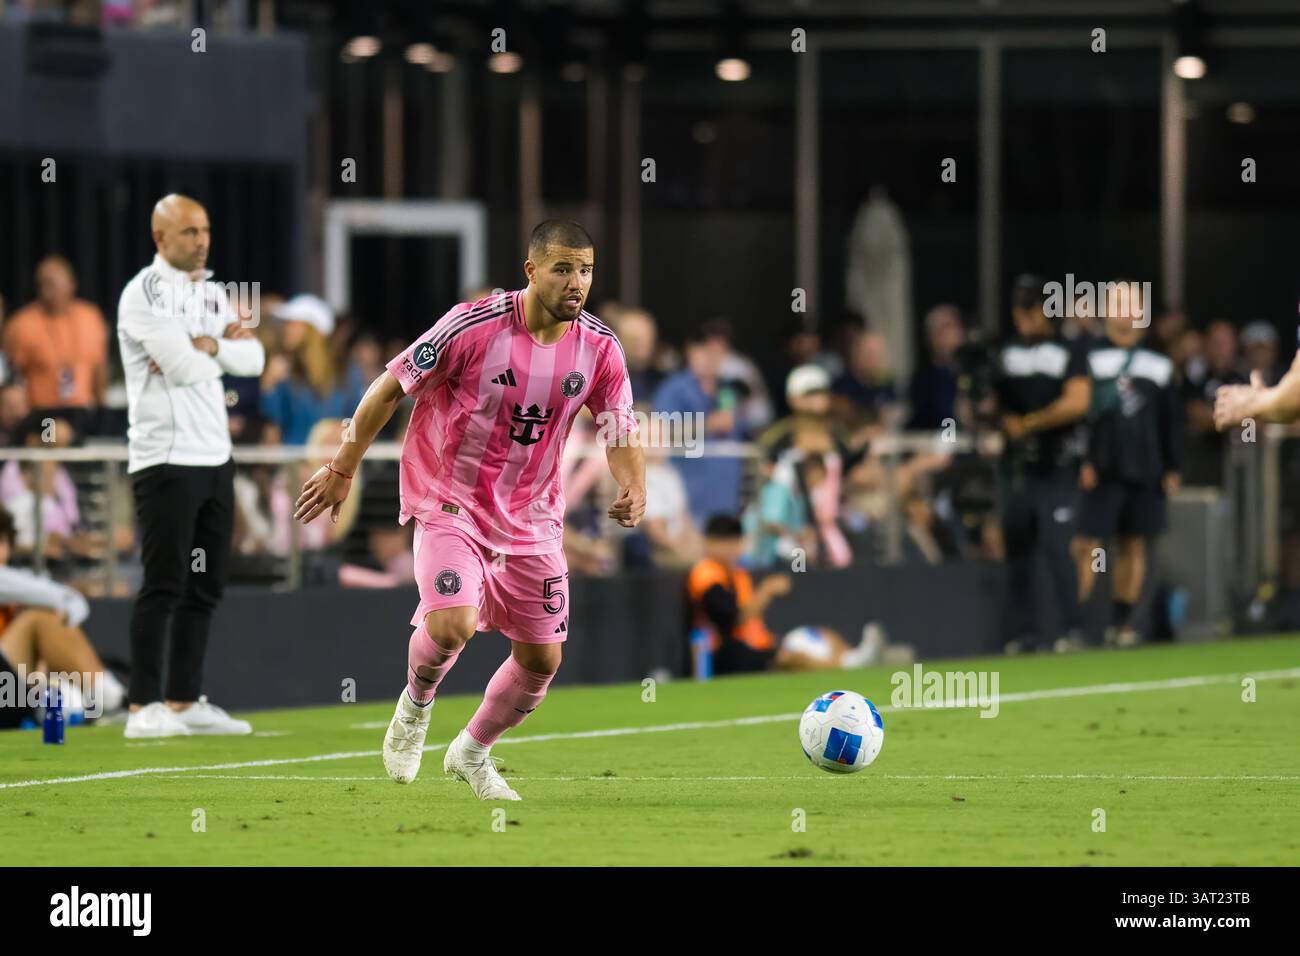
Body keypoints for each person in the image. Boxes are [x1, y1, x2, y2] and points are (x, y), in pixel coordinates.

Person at [294, 220, 645, 802]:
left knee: (542, 660)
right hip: (448, 500)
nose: (576, 281)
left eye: (585, 269)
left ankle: (472, 751)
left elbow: (619, 427)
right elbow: (388, 388)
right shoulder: (472, 324)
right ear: (530, 272)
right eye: (562, 268)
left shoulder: (601, 348)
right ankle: (414, 709)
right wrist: (342, 467)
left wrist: (633, 484)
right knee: (452, 623)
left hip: (533, 517)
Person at [116, 193, 265, 738]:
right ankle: (140, 708)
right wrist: (207, 350)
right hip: (165, 459)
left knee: (205, 586)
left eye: (204, 230)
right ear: (160, 239)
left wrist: (211, 347)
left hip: (214, 458)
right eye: (188, 232)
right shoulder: (142, 295)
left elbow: (255, 360)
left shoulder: (211, 293)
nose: (201, 240)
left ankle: (182, 699)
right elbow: (177, 369)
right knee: (163, 582)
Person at [1073, 284, 1181, 648]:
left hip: (1145, 468)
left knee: (1134, 544)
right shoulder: (1089, 358)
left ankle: (1122, 622)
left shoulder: (1159, 363)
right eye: (1117, 303)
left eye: (1131, 304)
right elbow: (1081, 414)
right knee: (1089, 543)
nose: (1124, 311)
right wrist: (1084, 459)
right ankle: (1079, 622)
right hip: (1102, 467)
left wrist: (1171, 465)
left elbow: (1170, 419)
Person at [992, 273, 1091, 653]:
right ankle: (1025, 633)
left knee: (1057, 545)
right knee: (1019, 549)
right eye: (1020, 310)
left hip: (1056, 464)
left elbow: (1078, 402)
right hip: (1018, 467)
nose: (1024, 318)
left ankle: (1073, 628)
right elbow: (993, 404)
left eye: (1031, 309)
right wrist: (1000, 419)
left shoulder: (1068, 350)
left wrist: (1030, 423)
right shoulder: (1006, 353)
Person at [686, 514, 875, 676]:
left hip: (755, 643)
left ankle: (852, 656)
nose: (734, 549)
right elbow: (731, 619)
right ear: (710, 543)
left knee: (815, 634)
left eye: (736, 542)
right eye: (727, 543)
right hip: (725, 653)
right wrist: (767, 591)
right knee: (792, 656)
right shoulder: (706, 574)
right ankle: (846, 666)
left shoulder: (737, 573)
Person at [0, 507, 127, 728]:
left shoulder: (17, 589)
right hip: (8, 693)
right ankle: (111, 700)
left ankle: (93, 700)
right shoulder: (15, 585)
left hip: (10, 692)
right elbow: (65, 600)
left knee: (42, 620)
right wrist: (67, 600)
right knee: (42, 617)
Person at [2, 255, 109, 437]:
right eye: (44, 283)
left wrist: (102, 409)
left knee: (106, 434)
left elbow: (99, 369)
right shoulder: (22, 324)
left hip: (81, 411)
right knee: (56, 435)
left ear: (71, 284)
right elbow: (9, 374)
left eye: (54, 283)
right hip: (42, 413)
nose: (49, 290)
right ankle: (34, 445)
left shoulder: (91, 317)